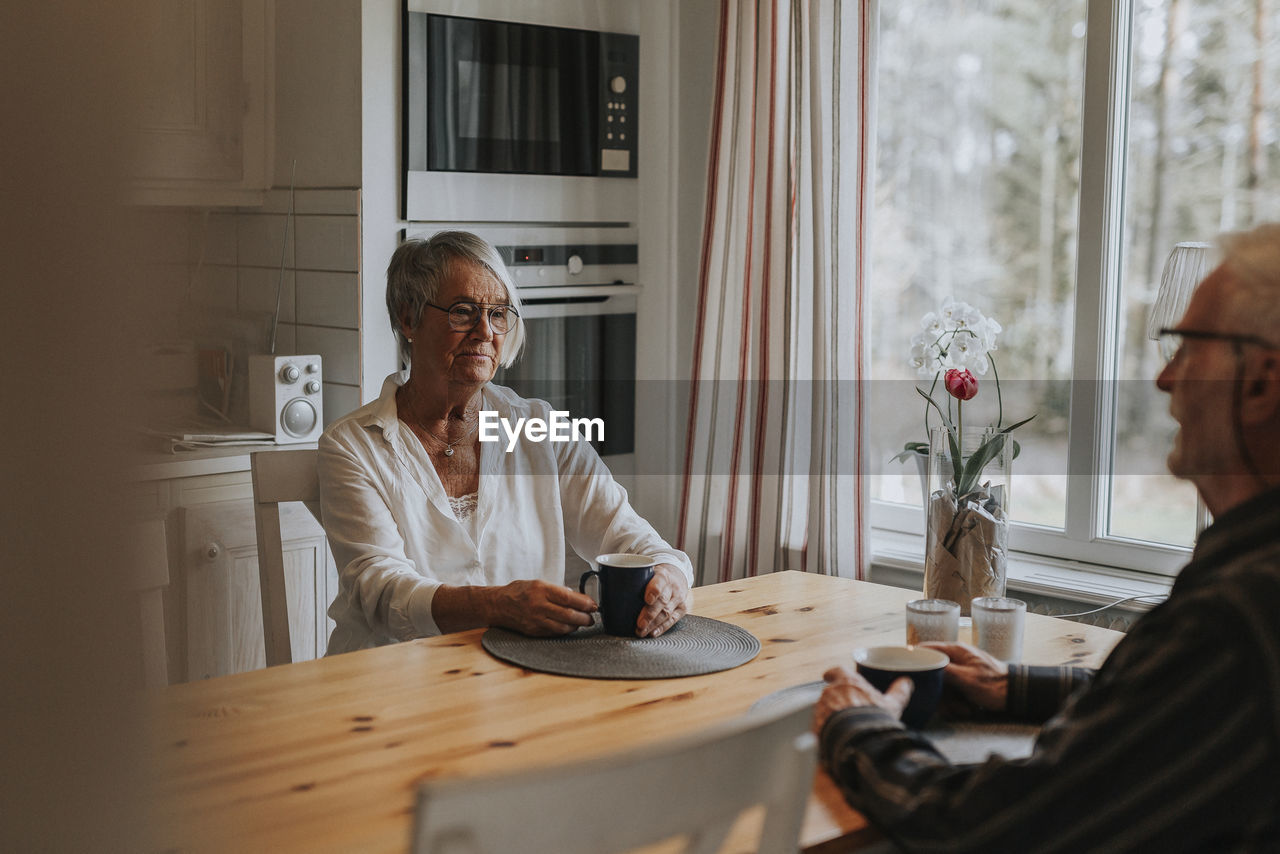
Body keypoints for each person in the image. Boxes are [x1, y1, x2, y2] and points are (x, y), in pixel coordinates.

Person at [814, 223, 1280, 851]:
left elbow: (990, 828)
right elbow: (1179, 709)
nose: (1165, 380)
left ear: (1260, 382)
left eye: (1188, 348)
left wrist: (858, 728)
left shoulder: (1234, 624)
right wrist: (1014, 686)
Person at [319, 231, 692, 653]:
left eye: (498, 314)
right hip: (388, 684)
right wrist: (497, 605)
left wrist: (671, 577)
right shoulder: (352, 446)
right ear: (409, 320)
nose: (485, 331)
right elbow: (380, 590)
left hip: (521, 676)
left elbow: (629, 536)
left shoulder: (541, 428)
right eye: (463, 312)